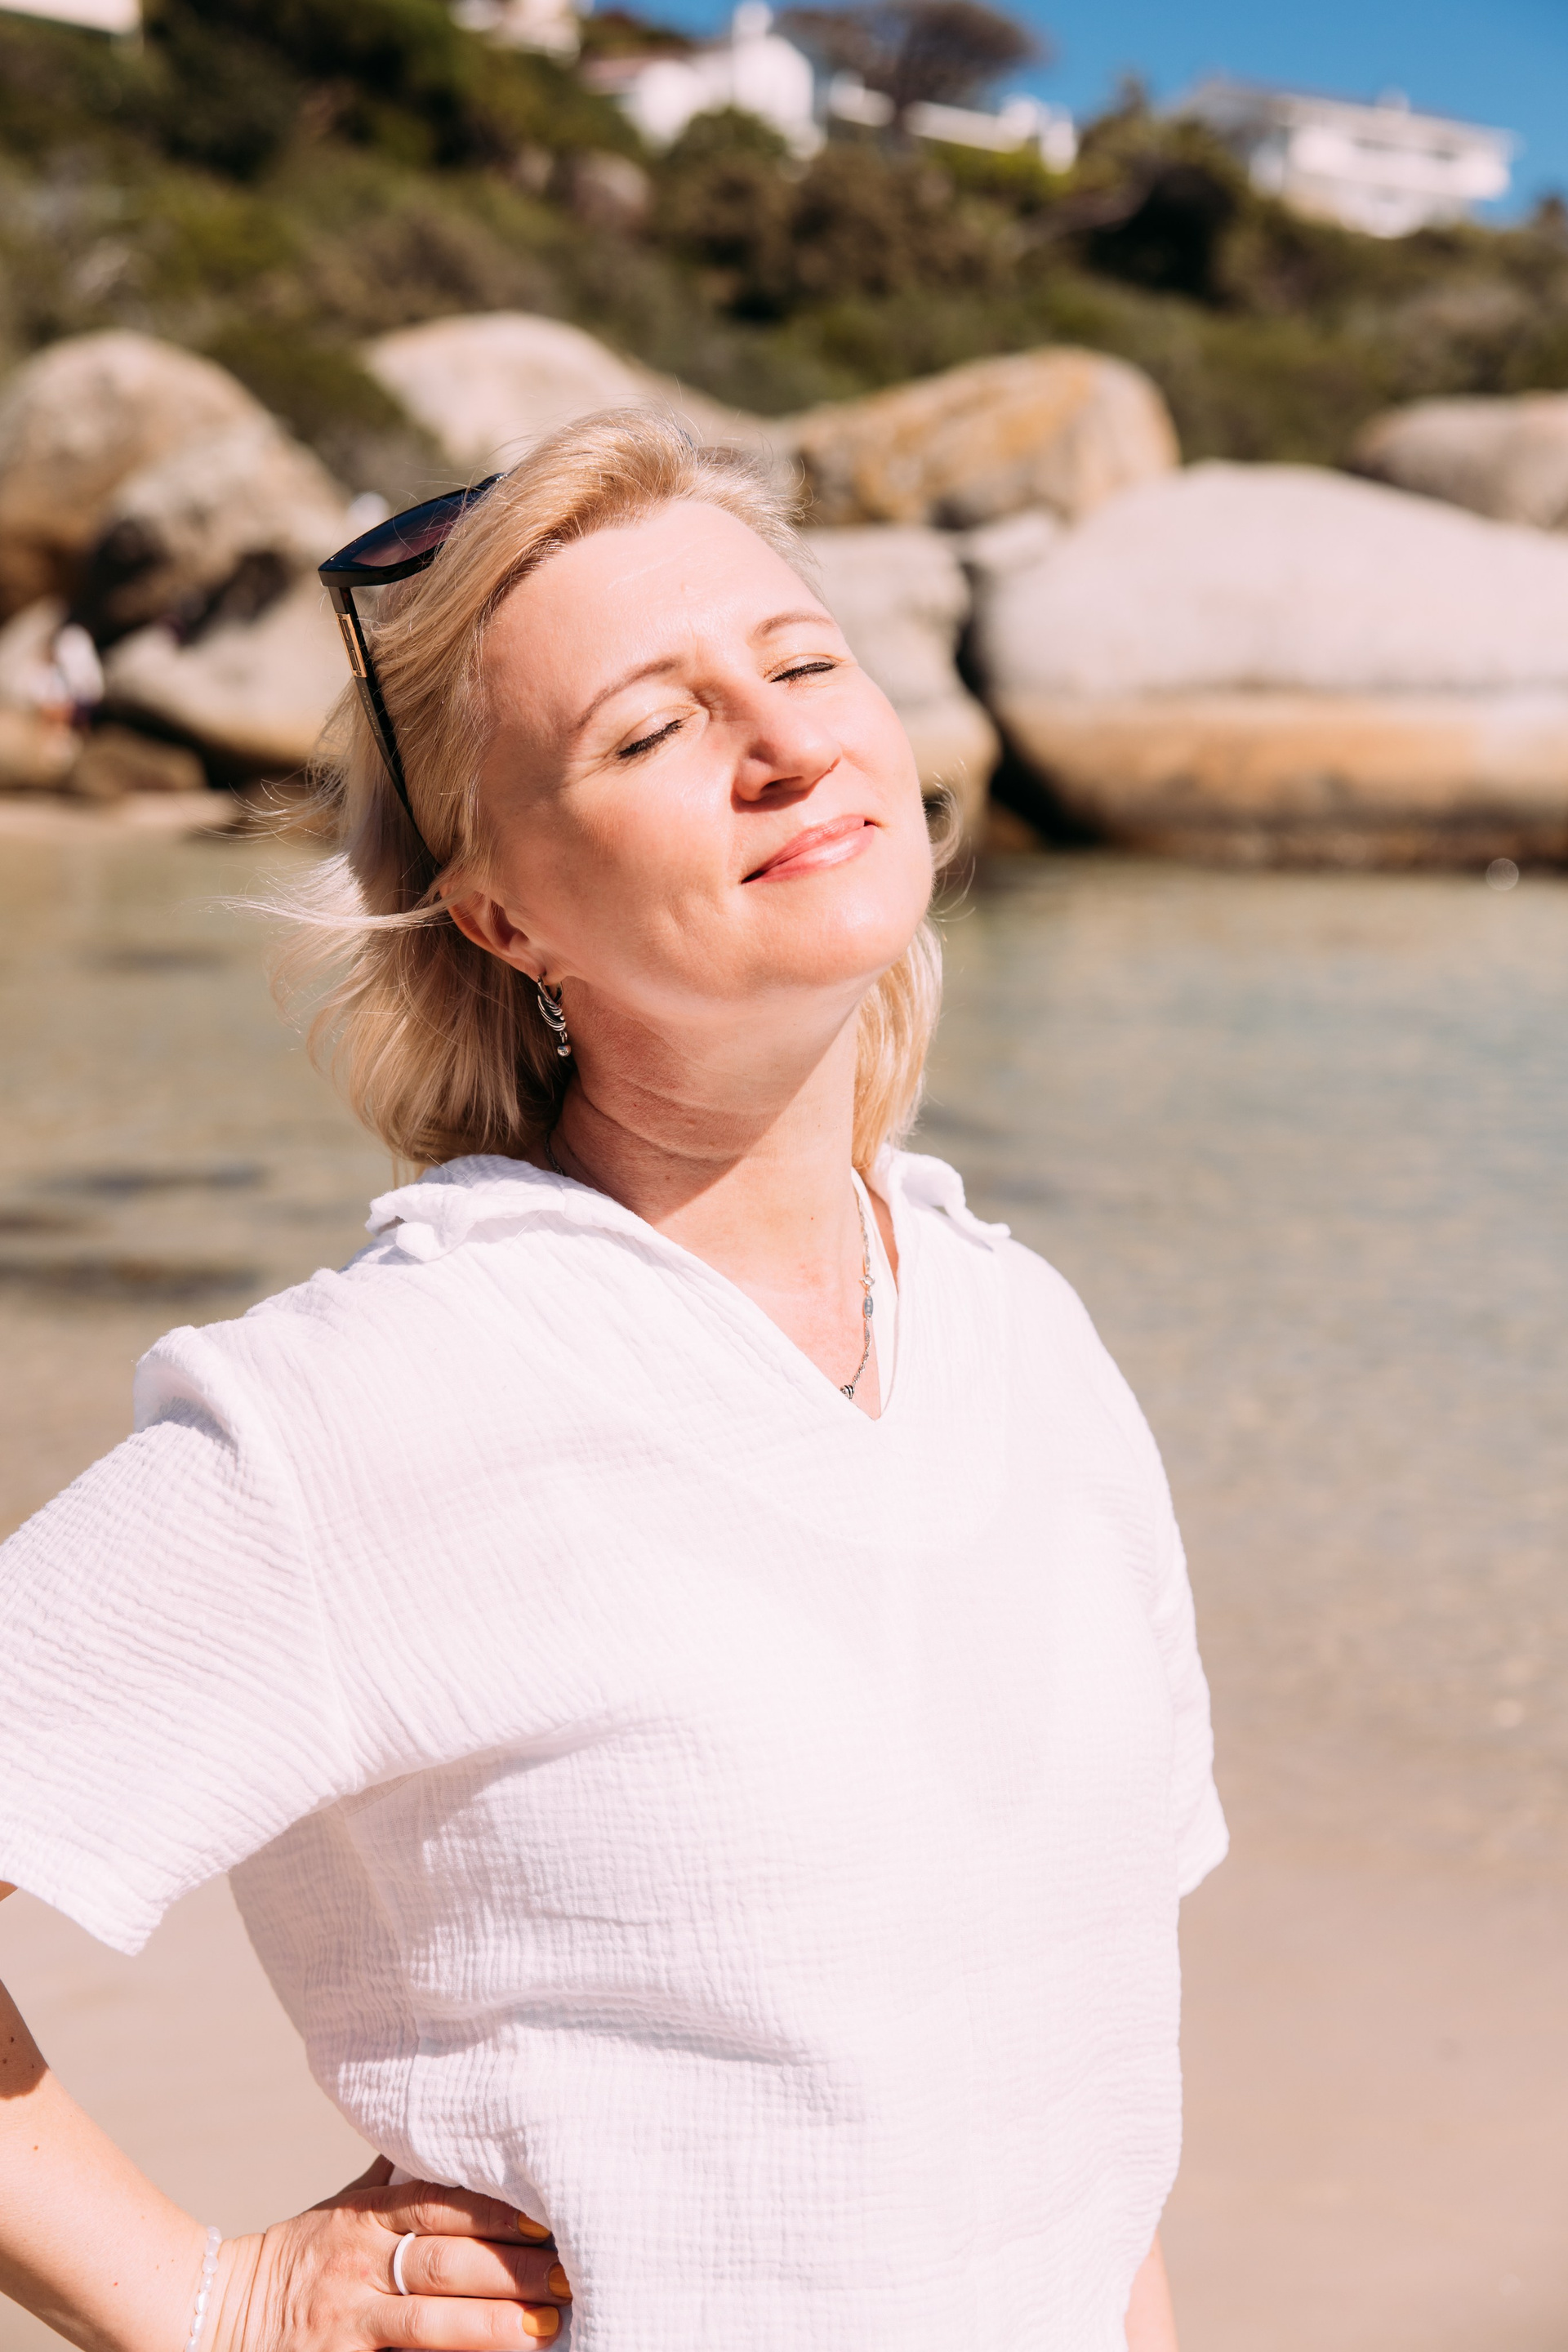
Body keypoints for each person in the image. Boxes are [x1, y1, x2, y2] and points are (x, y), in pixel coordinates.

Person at [0, 411, 1225, 2352]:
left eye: (805, 662)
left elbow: (1084, 2154)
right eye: (650, 731)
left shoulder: (1029, 1340)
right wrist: (208, 2298)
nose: (784, 743)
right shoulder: (382, 1397)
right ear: (504, 914)